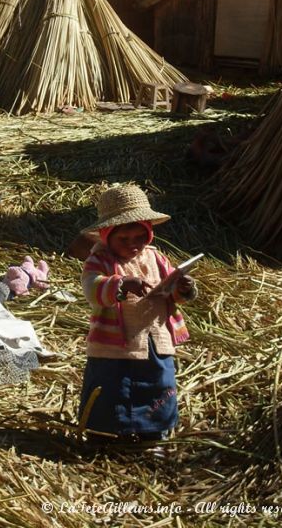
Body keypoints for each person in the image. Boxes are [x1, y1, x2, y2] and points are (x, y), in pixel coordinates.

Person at [78, 184, 198, 441]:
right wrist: (119, 284)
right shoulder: (99, 260)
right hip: (114, 345)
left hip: (154, 338)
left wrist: (182, 288)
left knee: (159, 385)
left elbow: (172, 291)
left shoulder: (156, 258)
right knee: (112, 387)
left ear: (149, 233)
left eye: (140, 237)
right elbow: (91, 288)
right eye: (123, 239)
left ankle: (153, 434)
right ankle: (105, 434)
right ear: (107, 235)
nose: (133, 244)